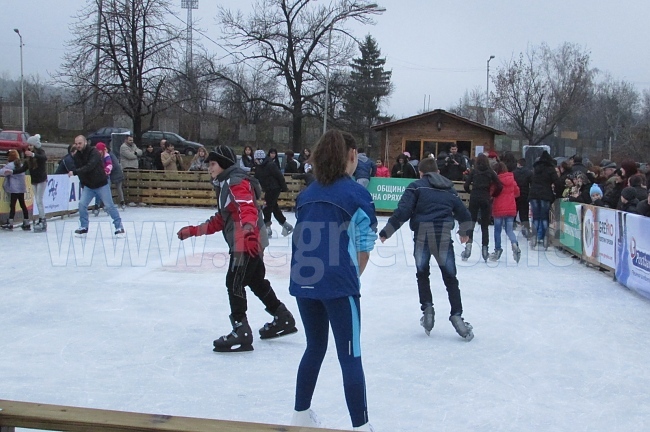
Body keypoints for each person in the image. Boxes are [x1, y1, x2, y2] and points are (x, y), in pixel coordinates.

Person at [289, 130, 377, 431]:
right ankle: (362, 427)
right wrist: (350, 280)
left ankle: (300, 415)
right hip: (338, 283)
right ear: (350, 156)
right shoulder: (357, 194)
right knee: (350, 355)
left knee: (314, 346)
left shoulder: (306, 194)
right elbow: (365, 244)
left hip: (304, 281)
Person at [176, 146, 298, 353]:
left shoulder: (235, 183)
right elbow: (222, 219)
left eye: (212, 164)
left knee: (234, 282)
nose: (209, 168)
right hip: (249, 239)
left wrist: (249, 232)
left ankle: (240, 330)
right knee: (255, 280)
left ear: (224, 164)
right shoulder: (226, 184)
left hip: (246, 241)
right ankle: (282, 317)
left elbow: (247, 207)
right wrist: (194, 231)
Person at [379, 157, 474, 342]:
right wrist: (465, 232)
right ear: (438, 172)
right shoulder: (449, 189)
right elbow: (464, 213)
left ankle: (428, 309)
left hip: (422, 236)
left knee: (422, 274)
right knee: (450, 278)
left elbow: (403, 211)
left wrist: (387, 231)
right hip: (443, 237)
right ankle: (457, 315)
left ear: (421, 173)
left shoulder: (416, 186)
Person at [69, 135, 124, 236]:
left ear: (85, 142)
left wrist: (75, 172)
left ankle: (119, 226)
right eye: (76, 144)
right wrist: (83, 183)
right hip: (89, 186)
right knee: (82, 205)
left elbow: (90, 166)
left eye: (80, 143)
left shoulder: (93, 152)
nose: (78, 146)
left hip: (101, 183)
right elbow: (81, 171)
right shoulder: (77, 156)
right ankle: (84, 226)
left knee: (109, 206)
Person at [463, 153, 503, 261]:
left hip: (475, 197)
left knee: (471, 223)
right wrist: (493, 195)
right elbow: (499, 185)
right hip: (485, 198)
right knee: (485, 225)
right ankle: (485, 249)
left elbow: (466, 185)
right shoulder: (490, 172)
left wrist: (471, 191)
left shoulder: (474, 171)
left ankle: (468, 246)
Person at [253, 149, 293, 238]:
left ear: (260, 159)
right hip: (268, 189)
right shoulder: (259, 167)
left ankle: (267, 228)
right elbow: (256, 179)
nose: (254, 160)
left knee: (267, 207)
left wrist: (284, 188)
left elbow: (279, 176)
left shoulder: (270, 165)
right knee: (274, 207)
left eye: (256, 159)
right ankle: (286, 225)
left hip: (275, 188)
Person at [489, 162, 521, 262]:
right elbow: (517, 193)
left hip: (499, 208)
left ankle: (498, 250)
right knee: (509, 230)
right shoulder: (512, 179)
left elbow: (491, 192)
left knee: (497, 230)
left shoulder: (496, 180)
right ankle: (514, 243)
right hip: (511, 207)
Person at [528, 150, 558, 249]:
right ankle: (545, 238)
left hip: (534, 194)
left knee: (536, 217)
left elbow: (532, 180)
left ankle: (534, 237)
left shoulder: (536, 168)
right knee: (545, 217)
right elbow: (557, 181)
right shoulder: (551, 169)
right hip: (546, 194)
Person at [1, 150, 31, 231]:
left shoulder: (10, 165)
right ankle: (26, 221)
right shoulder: (21, 164)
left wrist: (4, 168)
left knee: (12, 205)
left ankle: (10, 222)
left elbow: (2, 172)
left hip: (14, 189)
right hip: (21, 188)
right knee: (23, 204)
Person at [24, 134, 48, 232]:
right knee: (37, 200)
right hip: (34, 180)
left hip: (41, 179)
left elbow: (44, 158)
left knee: (39, 200)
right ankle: (41, 219)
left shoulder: (40, 152)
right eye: (28, 145)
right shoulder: (29, 156)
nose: (29, 147)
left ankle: (43, 219)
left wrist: (33, 155)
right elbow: (24, 167)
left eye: (31, 145)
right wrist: (12, 171)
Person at [513, 158, 532, 238]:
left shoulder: (514, 173)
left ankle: (511, 227)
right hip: (525, 195)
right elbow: (531, 184)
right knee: (524, 213)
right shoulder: (529, 173)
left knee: (514, 211)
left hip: (515, 195)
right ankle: (526, 229)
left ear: (518, 164)